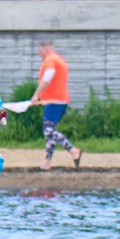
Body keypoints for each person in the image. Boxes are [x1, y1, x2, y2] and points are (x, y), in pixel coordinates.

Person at [16, 39, 80, 171]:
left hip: (54, 101)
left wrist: (35, 95)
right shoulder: (59, 60)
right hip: (57, 100)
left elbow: (48, 77)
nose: (40, 56)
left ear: (45, 50)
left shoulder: (50, 60)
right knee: (49, 132)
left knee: (49, 131)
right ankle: (47, 162)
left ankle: (73, 150)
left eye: (40, 53)